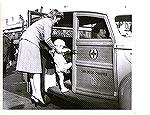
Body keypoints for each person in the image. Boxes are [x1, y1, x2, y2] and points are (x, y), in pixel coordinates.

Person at [16, 9, 64, 107]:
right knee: (37, 71)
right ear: (54, 17)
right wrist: (55, 49)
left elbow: (42, 38)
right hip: (31, 43)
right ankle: (39, 95)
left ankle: (34, 94)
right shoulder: (48, 22)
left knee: (31, 71)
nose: (57, 22)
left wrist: (49, 48)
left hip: (24, 41)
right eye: (57, 19)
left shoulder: (42, 21)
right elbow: (47, 39)